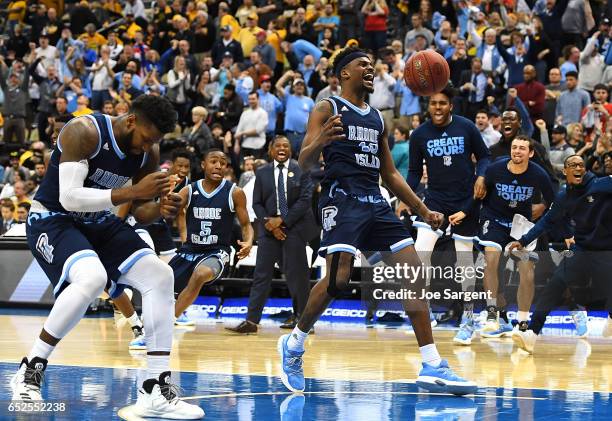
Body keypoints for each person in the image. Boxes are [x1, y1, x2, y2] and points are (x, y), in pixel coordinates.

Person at [277, 46, 477, 395]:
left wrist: (421, 209)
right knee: (337, 281)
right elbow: (304, 162)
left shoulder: (378, 118)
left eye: (372, 65)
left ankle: (432, 364)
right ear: (343, 74)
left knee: (413, 274)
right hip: (341, 198)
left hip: (375, 201)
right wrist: (321, 139)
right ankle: (293, 345)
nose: (370, 69)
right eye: (362, 65)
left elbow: (390, 174)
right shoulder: (328, 107)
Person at [11, 95, 204, 419]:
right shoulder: (84, 132)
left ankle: (154, 388)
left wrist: (161, 208)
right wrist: (132, 192)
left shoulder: (149, 151)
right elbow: (69, 198)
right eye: (146, 138)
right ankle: (31, 369)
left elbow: (142, 213)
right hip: (52, 218)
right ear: (131, 121)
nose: (147, 148)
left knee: (160, 276)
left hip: (98, 220)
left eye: (154, 142)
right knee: (93, 278)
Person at [449, 136, 555, 343]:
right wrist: (465, 212)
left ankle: (523, 322)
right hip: (494, 220)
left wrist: (566, 231)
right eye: (514, 147)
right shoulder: (496, 169)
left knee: (527, 271)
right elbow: (479, 194)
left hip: (521, 225)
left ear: (530, 153)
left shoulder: (539, 174)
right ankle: (491, 312)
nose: (517, 151)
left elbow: (555, 203)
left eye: (522, 148)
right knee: (492, 257)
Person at [402, 86, 490, 328]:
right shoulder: (419, 135)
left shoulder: (466, 126)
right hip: (435, 201)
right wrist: (406, 196)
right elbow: (414, 171)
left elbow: (484, 156)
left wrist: (481, 176)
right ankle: (425, 312)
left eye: (442, 103)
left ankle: (468, 318)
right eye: (433, 104)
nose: (438, 108)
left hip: (464, 200)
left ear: (450, 105)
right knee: (421, 253)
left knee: (464, 261)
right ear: (428, 107)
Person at [510, 155, 612, 353]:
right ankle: (531, 333)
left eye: (581, 165)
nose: (578, 168)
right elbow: (547, 221)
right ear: (565, 171)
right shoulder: (564, 196)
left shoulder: (603, 185)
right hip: (581, 250)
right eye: (572, 165)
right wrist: (523, 241)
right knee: (555, 285)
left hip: (607, 250)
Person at [226, 136, 318, 334]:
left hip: (294, 229)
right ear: (270, 149)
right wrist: (271, 225)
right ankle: (251, 321)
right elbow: (257, 202)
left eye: (286, 146)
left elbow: (305, 201)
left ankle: (303, 320)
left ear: (291, 150)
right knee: (261, 275)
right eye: (278, 146)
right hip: (268, 231)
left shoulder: (301, 169)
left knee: (298, 276)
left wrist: (282, 221)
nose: (282, 148)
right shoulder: (262, 172)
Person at [169, 150, 253, 326]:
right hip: (189, 250)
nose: (218, 166)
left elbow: (246, 225)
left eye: (222, 163)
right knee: (161, 283)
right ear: (203, 165)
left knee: (200, 274)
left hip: (216, 252)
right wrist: (166, 195)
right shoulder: (190, 190)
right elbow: (170, 211)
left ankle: (166, 324)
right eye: (213, 161)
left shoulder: (234, 192)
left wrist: (248, 242)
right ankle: (151, 321)